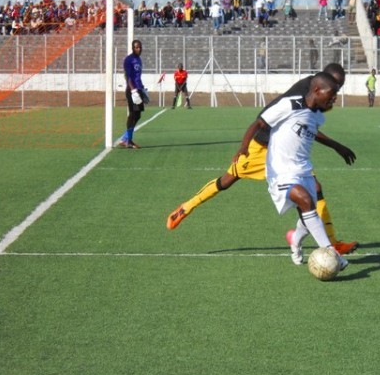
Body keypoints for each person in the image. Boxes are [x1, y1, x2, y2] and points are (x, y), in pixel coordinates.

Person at [166, 63, 359, 255]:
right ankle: (185, 207)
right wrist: (245, 146)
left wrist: (336, 146)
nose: (336, 93)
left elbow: (306, 128)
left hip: (286, 155)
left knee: (315, 190)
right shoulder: (306, 92)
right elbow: (267, 118)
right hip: (261, 146)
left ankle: (332, 244)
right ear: (322, 80)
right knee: (226, 181)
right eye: (335, 86)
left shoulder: (321, 96)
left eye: (340, 87)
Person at [258, 72, 350, 269]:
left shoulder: (316, 115)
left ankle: (296, 239)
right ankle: (332, 253)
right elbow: (259, 123)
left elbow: (313, 132)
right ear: (317, 89)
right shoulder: (290, 104)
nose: (334, 98)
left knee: (308, 214)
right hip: (281, 172)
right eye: (333, 93)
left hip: (303, 169)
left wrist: (337, 146)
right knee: (306, 201)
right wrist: (244, 147)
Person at [119, 40, 148, 149]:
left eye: (140, 47)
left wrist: (143, 90)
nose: (139, 49)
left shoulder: (139, 59)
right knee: (133, 114)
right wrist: (133, 90)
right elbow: (128, 76)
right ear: (132, 48)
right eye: (136, 47)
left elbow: (137, 76)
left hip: (138, 89)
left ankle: (125, 138)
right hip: (132, 90)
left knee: (138, 114)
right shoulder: (129, 59)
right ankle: (128, 141)